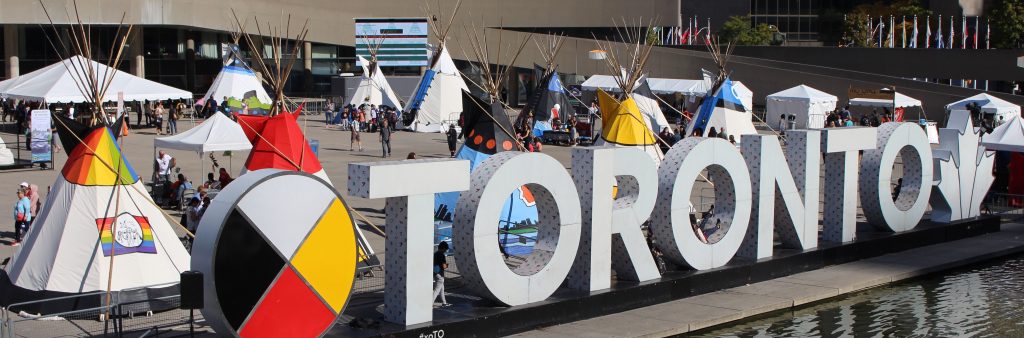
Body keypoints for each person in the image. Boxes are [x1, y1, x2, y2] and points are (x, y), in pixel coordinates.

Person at [432, 241, 452, 307]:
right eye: (445, 249)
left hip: (435, 273)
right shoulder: (442, 255)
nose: (446, 250)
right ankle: (430, 303)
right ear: (443, 248)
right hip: (440, 275)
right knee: (437, 290)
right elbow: (444, 266)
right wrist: (447, 265)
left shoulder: (435, 254)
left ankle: (444, 303)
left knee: (441, 289)